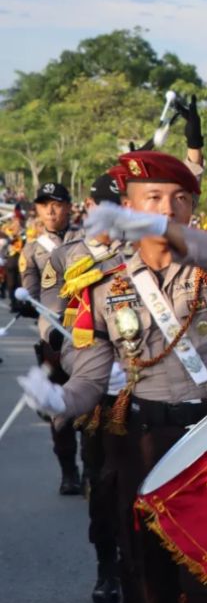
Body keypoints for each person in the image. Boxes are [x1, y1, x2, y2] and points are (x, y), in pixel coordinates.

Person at [19, 151, 207, 603]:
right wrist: (60, 400)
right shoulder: (102, 284)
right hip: (141, 445)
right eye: (152, 199)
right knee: (146, 578)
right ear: (126, 205)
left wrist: (160, 230)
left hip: (205, 446)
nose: (167, 209)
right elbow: (91, 378)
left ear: (192, 208)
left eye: (179, 199)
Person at [41, 173, 128, 603]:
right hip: (98, 390)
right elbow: (50, 317)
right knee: (103, 481)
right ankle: (106, 566)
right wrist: (59, 339)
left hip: (142, 387)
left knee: (144, 481)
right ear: (90, 208)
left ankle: (139, 564)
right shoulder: (65, 256)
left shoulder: (142, 253)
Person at [20, 180, 84, 494]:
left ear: (69, 207)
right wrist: (27, 302)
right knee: (60, 410)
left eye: (56, 204)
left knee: (98, 408)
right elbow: (30, 291)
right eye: (44, 205)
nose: (51, 211)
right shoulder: (32, 250)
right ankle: (69, 472)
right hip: (54, 341)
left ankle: (94, 469)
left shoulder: (88, 241)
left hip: (90, 335)